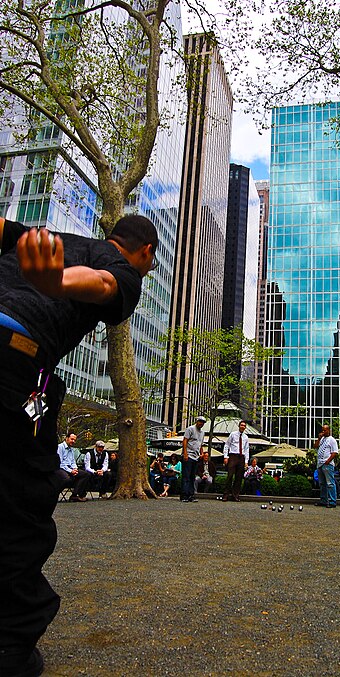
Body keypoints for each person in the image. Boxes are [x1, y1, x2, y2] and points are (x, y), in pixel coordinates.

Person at [0, 214, 158, 677]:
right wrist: (56, 282)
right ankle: (9, 646)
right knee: (20, 506)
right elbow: (105, 283)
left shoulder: (47, 236)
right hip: (14, 358)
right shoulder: (123, 265)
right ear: (146, 252)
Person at [56, 432, 91, 502]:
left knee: (86, 474)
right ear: (66, 438)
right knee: (67, 479)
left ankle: (75, 495)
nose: (73, 441)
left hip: (70, 468)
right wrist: (70, 471)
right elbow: (60, 462)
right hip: (61, 468)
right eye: (72, 439)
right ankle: (54, 494)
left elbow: (72, 461)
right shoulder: (60, 447)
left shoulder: (71, 449)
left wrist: (75, 469)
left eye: (74, 440)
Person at [222, 420, 250, 502]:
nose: (242, 427)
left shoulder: (246, 437)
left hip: (241, 457)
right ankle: (225, 495)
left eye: (244, 426)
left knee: (239, 478)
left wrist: (246, 461)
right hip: (233, 456)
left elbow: (246, 449)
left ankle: (235, 495)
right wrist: (225, 456)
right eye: (241, 425)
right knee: (230, 476)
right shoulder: (233, 434)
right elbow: (227, 445)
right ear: (239, 426)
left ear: (245, 427)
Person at [181, 416, 206, 502]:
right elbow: (185, 440)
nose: (201, 424)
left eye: (202, 422)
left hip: (196, 456)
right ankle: (184, 495)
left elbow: (200, 444)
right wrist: (185, 453)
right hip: (188, 455)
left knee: (192, 477)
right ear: (196, 421)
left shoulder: (202, 433)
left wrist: (202, 453)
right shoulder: (190, 429)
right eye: (200, 422)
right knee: (186, 476)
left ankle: (191, 495)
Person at [314, 424, 339, 508]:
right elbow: (315, 446)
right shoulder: (322, 439)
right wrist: (319, 438)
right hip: (320, 464)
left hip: (327, 464)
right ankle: (323, 500)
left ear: (328, 430)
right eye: (322, 430)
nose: (323, 432)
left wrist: (328, 461)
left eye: (325, 430)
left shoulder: (332, 440)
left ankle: (332, 501)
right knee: (322, 483)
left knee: (330, 483)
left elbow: (334, 452)